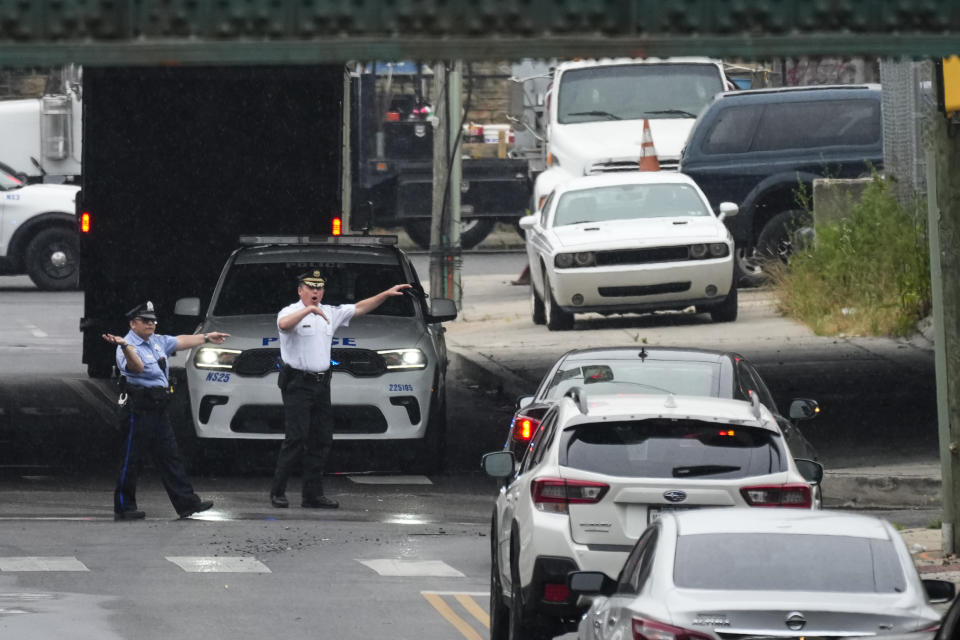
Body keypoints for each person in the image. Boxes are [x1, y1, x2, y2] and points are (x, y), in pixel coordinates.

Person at [270, 270, 412, 509]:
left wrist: (386, 294)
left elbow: (360, 308)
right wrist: (307, 311)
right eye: (310, 288)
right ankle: (278, 491)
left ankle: (312, 495)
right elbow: (283, 325)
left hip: (322, 383)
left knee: (321, 439)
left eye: (319, 288)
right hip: (298, 384)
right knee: (296, 437)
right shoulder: (290, 311)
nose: (315, 292)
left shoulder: (330, 312)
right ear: (300, 291)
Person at [101, 301, 230, 521]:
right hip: (139, 408)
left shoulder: (156, 341)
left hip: (158, 408)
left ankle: (187, 503)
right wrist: (124, 346)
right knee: (132, 459)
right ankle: (124, 507)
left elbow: (180, 341)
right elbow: (137, 368)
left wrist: (207, 338)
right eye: (146, 321)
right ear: (133, 324)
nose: (151, 324)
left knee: (171, 457)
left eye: (153, 321)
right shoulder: (126, 347)